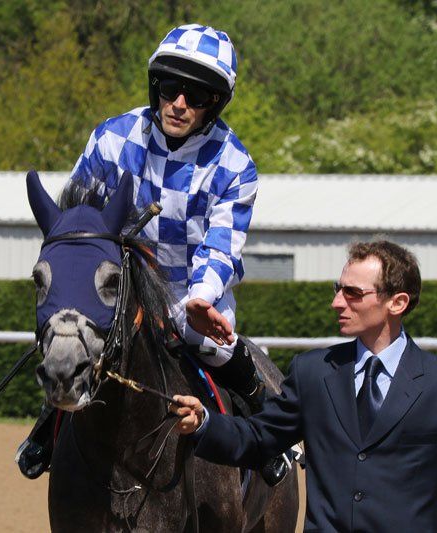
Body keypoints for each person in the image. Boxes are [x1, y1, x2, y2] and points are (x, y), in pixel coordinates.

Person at [17, 23, 289, 484]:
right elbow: (80, 216)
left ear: (215, 104)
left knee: (205, 340)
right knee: (74, 337)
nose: (179, 103)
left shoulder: (234, 164)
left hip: (189, 291)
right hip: (121, 284)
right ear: (155, 86)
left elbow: (221, 247)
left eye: (196, 96)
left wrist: (202, 298)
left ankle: (264, 422)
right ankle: (52, 417)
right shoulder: (111, 137)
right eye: (169, 88)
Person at [173, 240, 437, 532]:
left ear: (397, 303)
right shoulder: (311, 372)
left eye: (353, 293)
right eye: (338, 289)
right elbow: (258, 439)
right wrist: (205, 423)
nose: (337, 302)